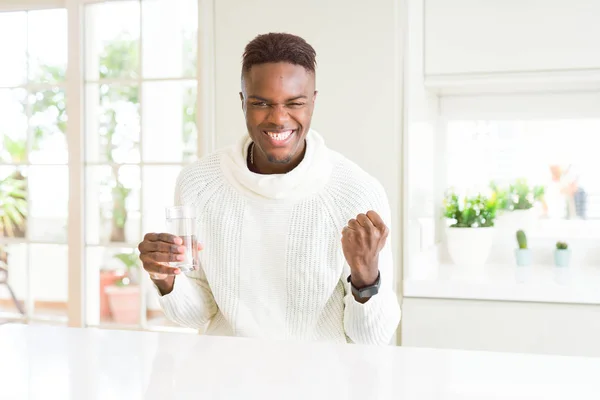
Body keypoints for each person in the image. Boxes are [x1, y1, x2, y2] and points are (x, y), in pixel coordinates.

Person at [138, 32, 401, 345]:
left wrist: (366, 276)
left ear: (313, 102)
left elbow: (372, 338)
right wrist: (166, 278)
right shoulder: (198, 183)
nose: (278, 119)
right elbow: (200, 315)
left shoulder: (357, 193)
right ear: (243, 102)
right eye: (262, 103)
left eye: (295, 103)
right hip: (225, 380)